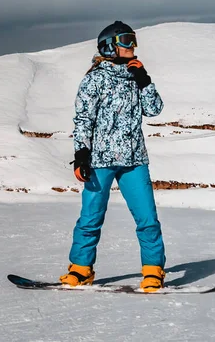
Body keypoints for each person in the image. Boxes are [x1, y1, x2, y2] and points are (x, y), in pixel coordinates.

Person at [60, 21, 166, 292]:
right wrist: (81, 154)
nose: (133, 46)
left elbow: (154, 109)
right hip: (101, 162)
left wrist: (145, 81)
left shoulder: (135, 77)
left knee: (147, 219)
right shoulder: (94, 79)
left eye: (134, 40)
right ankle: (81, 269)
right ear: (110, 46)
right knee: (90, 217)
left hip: (134, 161)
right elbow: (84, 118)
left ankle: (153, 271)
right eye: (127, 40)